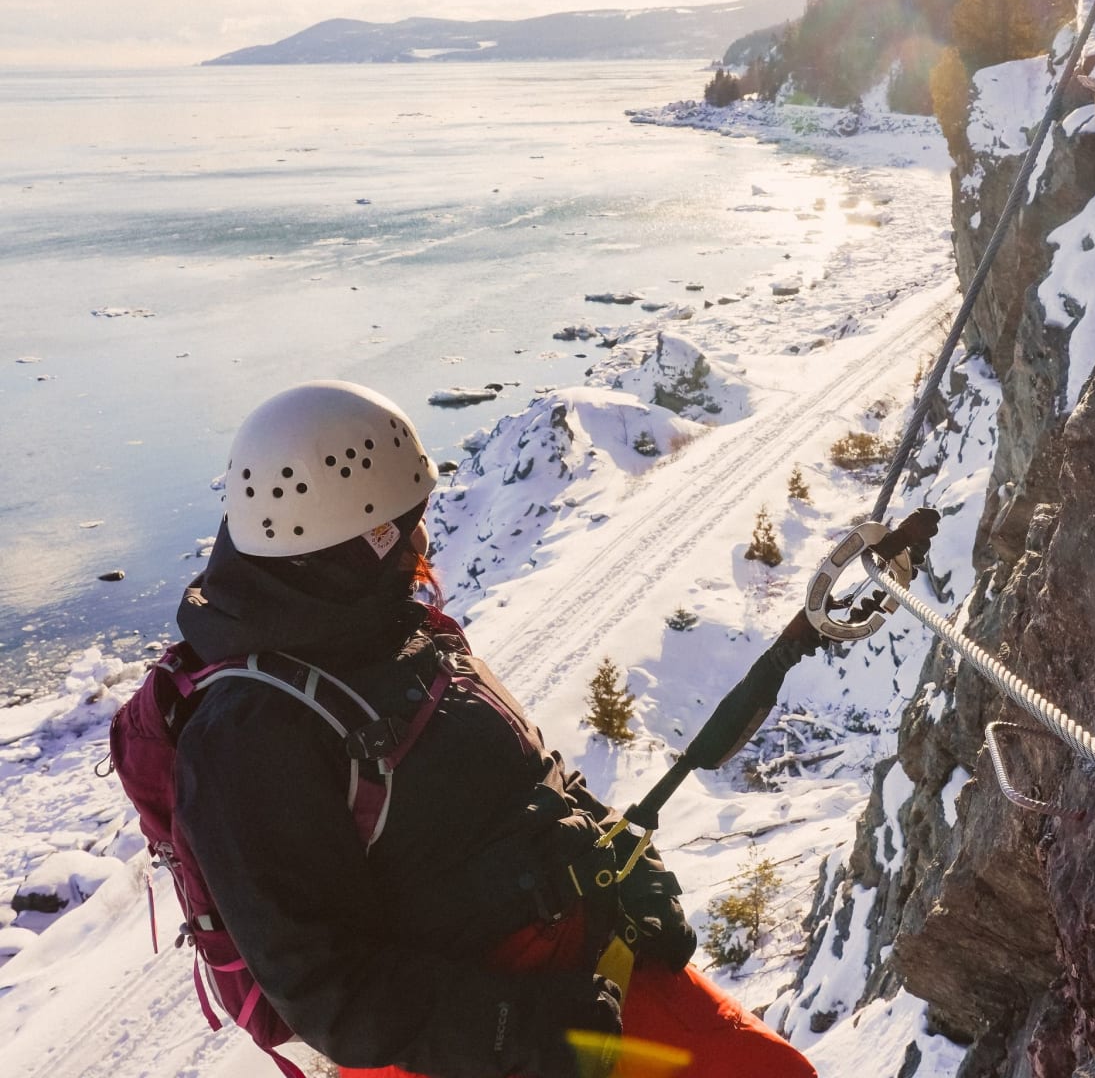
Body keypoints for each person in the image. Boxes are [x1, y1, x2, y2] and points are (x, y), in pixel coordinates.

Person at [171, 379, 820, 1078]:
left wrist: (620, 861)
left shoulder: (387, 631)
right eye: (404, 522)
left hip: (576, 976)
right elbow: (331, 994)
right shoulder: (249, 737)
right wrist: (520, 1029)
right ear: (352, 541)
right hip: (481, 1045)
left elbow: (519, 770)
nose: (423, 537)